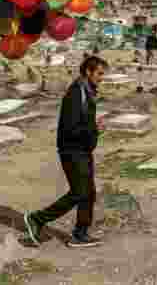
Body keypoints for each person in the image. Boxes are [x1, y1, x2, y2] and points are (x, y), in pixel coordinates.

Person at [24, 53, 108, 248]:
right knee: (79, 192)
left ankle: (81, 233)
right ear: (88, 71)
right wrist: (94, 129)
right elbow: (70, 128)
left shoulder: (87, 91)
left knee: (89, 193)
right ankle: (37, 218)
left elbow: (81, 122)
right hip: (71, 151)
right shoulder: (75, 93)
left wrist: (94, 127)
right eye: (99, 73)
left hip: (83, 149)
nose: (101, 78)